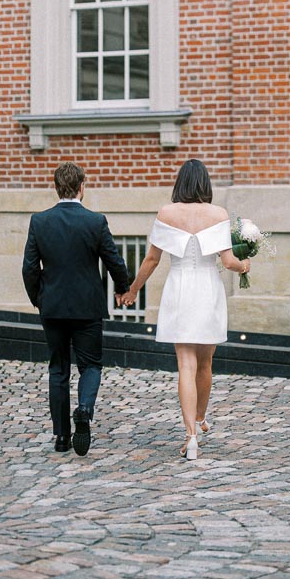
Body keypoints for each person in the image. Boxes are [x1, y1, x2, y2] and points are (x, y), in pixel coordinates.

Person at [119, 158, 250, 461]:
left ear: (180, 182)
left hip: (179, 288)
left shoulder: (167, 212)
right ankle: (201, 418)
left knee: (185, 366)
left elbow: (152, 260)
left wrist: (134, 289)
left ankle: (191, 435)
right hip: (207, 289)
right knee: (205, 364)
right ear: (205, 183)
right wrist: (245, 266)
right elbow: (229, 262)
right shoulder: (218, 214)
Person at [22, 162, 131, 457]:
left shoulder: (39, 221)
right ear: (82, 186)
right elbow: (114, 261)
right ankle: (84, 409)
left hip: (53, 307)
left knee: (58, 369)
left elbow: (29, 269)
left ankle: (60, 437)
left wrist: (39, 299)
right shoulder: (95, 221)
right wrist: (123, 288)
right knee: (91, 365)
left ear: (56, 187)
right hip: (87, 307)